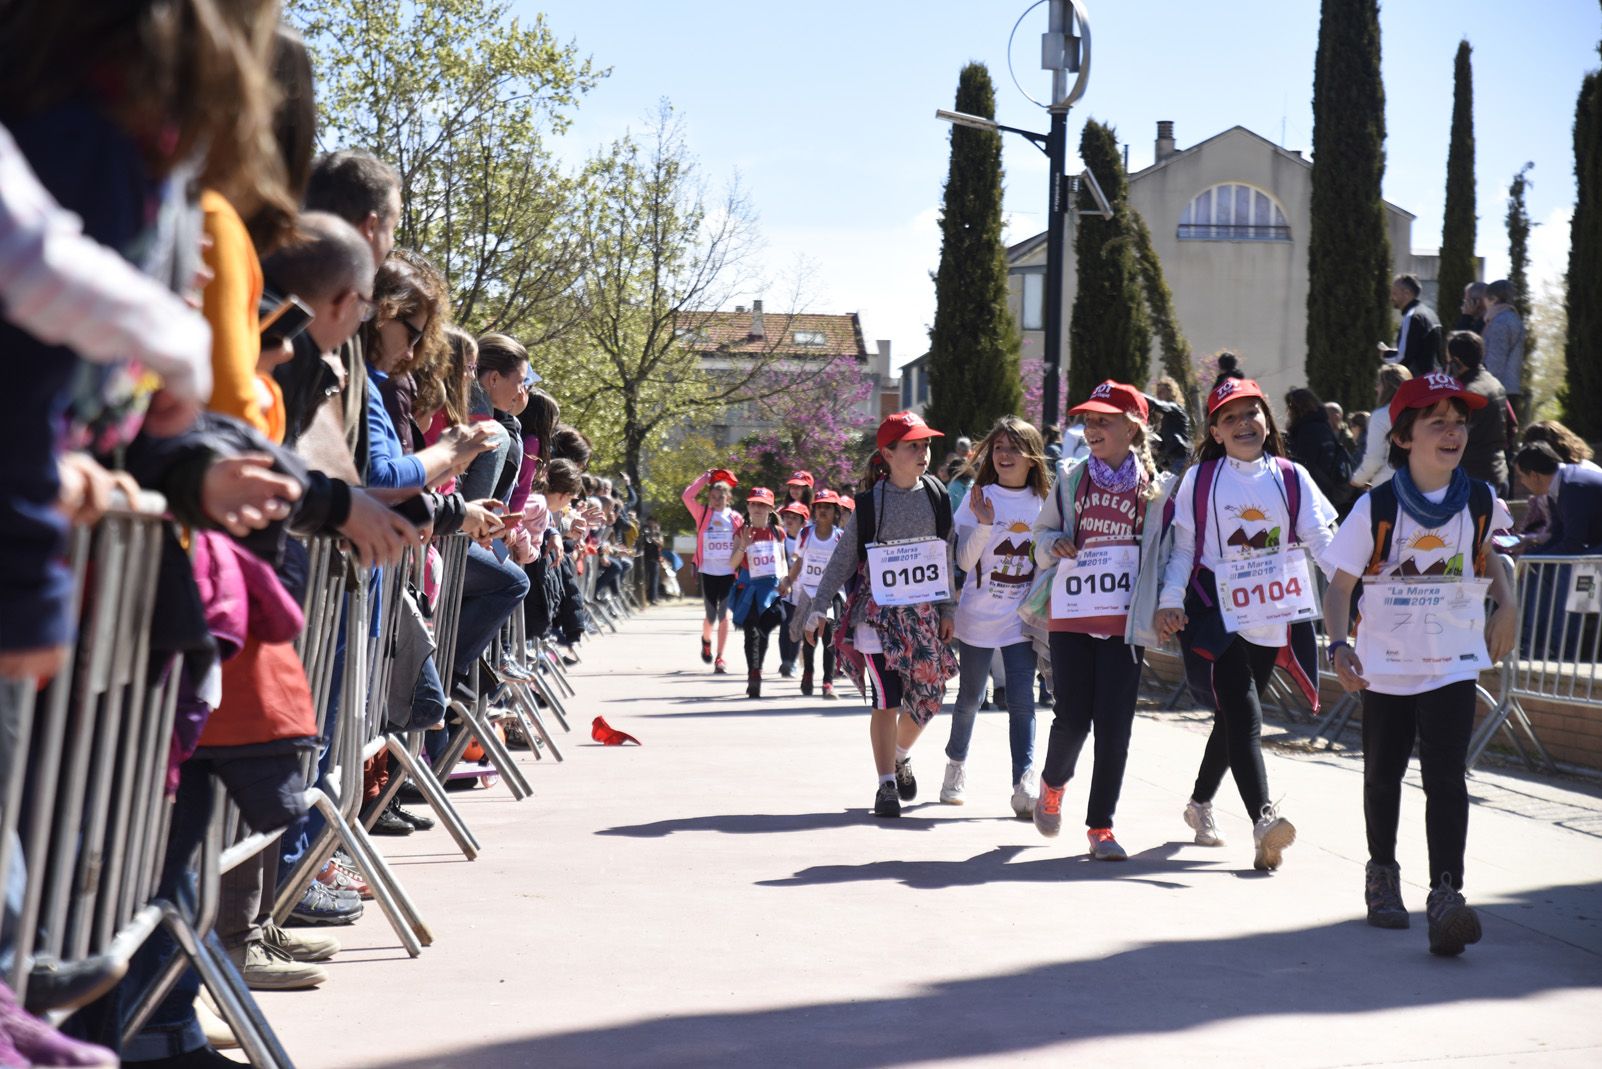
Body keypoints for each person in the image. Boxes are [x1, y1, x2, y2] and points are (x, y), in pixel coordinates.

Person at [1321, 373, 1517, 955]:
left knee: (1446, 777)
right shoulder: (1376, 505)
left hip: (1452, 663)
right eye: (1439, 423)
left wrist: (1508, 604)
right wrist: (1338, 646)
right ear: (1405, 437)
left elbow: (1491, 556)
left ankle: (1446, 894)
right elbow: (1339, 589)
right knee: (1383, 774)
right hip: (1386, 664)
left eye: (1460, 422)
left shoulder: (1480, 499)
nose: (1453, 433)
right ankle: (1382, 875)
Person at [1154, 377, 1337, 871]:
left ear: (1267, 420)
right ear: (1214, 430)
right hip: (1214, 612)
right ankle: (1263, 820)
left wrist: (1350, 587)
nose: (1243, 424)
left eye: (1252, 413)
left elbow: (1320, 540)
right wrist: (1170, 600)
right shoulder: (1200, 480)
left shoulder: (1292, 476)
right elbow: (1185, 551)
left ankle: (1199, 805)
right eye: (1230, 417)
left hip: (1271, 612)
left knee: (1232, 719)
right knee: (1245, 714)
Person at [1029, 385, 1175, 859]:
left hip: (1124, 623)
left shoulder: (1154, 487)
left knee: (1116, 726)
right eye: (1088, 421)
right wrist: (1055, 545)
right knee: (1073, 719)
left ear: (1133, 426)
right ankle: (1053, 785)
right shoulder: (1071, 479)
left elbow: (1166, 551)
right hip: (1071, 616)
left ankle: (1101, 828)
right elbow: (1040, 535)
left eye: (1104, 421)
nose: (1092, 429)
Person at [804, 412, 958, 819]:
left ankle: (901, 756)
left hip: (923, 617)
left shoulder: (938, 496)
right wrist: (818, 607)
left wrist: (948, 608)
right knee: (886, 699)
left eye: (926, 444)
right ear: (888, 454)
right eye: (913, 445)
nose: (923, 452)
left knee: (929, 696)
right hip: (875, 619)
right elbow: (841, 560)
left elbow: (947, 555)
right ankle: (885, 785)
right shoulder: (870, 505)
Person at [938, 417, 1050, 815]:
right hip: (977, 617)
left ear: (1032, 456)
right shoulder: (977, 496)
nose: (1004, 455)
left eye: (1014, 447)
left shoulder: (1044, 501)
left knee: (1022, 702)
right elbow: (964, 561)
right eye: (999, 447)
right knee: (969, 698)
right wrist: (985, 525)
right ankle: (955, 765)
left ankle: (1023, 782)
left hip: (1020, 620)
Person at [782, 490, 845, 698]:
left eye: (828, 507)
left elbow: (845, 567)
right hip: (808, 591)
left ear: (835, 512)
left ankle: (828, 682)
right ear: (814, 510)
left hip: (831, 593)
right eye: (819, 507)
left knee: (829, 637)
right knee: (808, 638)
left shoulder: (839, 537)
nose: (823, 510)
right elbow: (799, 561)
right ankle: (808, 672)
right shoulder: (806, 534)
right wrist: (789, 580)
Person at [729, 488, 787, 698]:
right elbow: (732, 564)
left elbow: (782, 561)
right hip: (749, 589)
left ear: (770, 509)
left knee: (767, 627)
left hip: (770, 590)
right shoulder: (741, 532)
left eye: (762, 505)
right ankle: (754, 672)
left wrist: (785, 581)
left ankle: (757, 667)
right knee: (750, 633)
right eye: (753, 504)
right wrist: (743, 546)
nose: (757, 508)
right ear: (748, 507)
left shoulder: (778, 532)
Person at [683, 469, 742, 673]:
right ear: (709, 498)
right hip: (708, 572)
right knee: (710, 617)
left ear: (728, 498)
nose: (717, 500)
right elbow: (687, 496)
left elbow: (744, 542)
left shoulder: (735, 518)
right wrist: (705, 478)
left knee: (724, 615)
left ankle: (720, 657)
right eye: (713, 497)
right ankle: (706, 640)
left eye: (721, 497)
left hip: (728, 573)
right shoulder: (703, 514)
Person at [1442, 331, 1510, 495]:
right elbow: (1511, 427)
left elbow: (1450, 437)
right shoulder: (1495, 384)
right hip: (1498, 471)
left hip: (1471, 478)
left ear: (1456, 361)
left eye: (1448, 360)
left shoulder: (1465, 394)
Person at [1515, 443, 1602, 556]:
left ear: (1534, 476)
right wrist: (1529, 556)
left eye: (1521, 476)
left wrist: (1531, 560)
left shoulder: (1572, 487)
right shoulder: (1559, 484)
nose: (1521, 482)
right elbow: (1558, 535)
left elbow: (1573, 544)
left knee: (1565, 567)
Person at [1285, 387, 1355, 513]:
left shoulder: (1307, 430)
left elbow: (1302, 466)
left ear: (1296, 409)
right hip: (1330, 491)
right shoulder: (1322, 425)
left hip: (1317, 494)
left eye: (1289, 408)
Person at [1351, 364, 1412, 491]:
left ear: (1387, 386)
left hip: (1389, 486)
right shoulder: (1421, 412)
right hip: (1421, 483)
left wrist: (1357, 479)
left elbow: (1374, 459)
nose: (1376, 388)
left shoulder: (1381, 415)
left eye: (1378, 383)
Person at [1482, 279, 1528, 427]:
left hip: (1498, 390)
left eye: (1486, 301)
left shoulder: (1499, 322)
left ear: (1493, 299)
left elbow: (1495, 360)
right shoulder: (1514, 319)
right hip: (1510, 387)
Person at [1384, 274, 1442, 378]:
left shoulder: (1412, 317)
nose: (1391, 297)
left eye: (1394, 293)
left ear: (1406, 293)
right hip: (1434, 381)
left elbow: (1402, 358)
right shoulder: (1430, 313)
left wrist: (1384, 355)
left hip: (1418, 384)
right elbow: (1418, 350)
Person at [774, 502, 808, 678]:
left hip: (803, 592)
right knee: (785, 625)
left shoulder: (808, 541)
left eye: (794, 518)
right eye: (787, 516)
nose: (789, 520)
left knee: (797, 628)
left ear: (803, 522)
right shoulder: (781, 540)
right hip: (785, 591)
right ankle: (785, 662)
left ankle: (793, 662)